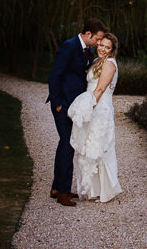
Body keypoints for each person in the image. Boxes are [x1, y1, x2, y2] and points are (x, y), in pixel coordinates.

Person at [46, 18, 107, 207]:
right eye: (97, 39)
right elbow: (55, 75)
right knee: (68, 145)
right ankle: (63, 192)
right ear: (88, 34)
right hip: (63, 105)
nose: (99, 43)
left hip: (75, 107)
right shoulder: (69, 46)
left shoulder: (86, 50)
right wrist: (57, 104)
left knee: (64, 144)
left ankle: (57, 187)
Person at [67, 32, 122, 203]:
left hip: (99, 108)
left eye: (107, 47)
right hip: (93, 105)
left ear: (112, 50)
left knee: (100, 147)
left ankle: (106, 190)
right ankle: (93, 189)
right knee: (89, 147)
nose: (103, 49)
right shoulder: (98, 62)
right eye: (101, 45)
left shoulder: (109, 65)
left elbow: (99, 89)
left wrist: (87, 108)